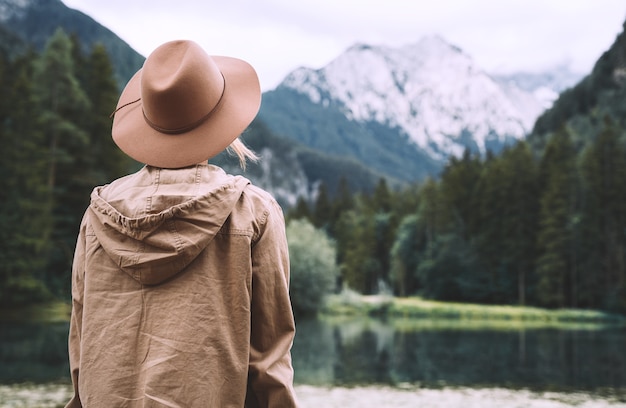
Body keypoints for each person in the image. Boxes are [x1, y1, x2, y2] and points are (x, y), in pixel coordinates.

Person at [65, 40, 299, 407]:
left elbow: (82, 347)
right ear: (221, 119)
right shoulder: (253, 211)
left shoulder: (97, 213)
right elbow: (268, 362)